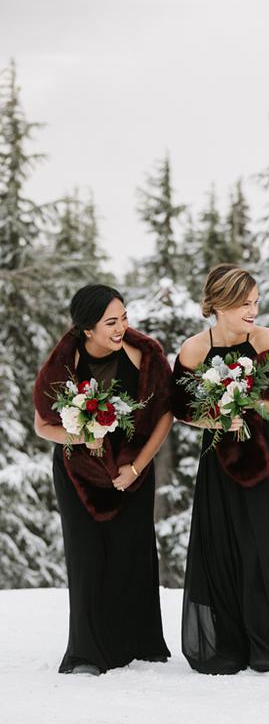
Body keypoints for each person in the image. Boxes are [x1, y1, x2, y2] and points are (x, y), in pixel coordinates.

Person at [171, 264, 269, 674]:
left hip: (264, 452)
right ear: (219, 304)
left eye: (256, 302)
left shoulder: (267, 340)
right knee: (223, 540)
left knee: (265, 542)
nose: (253, 311)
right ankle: (230, 639)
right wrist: (217, 418)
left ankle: (268, 639)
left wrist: (247, 403)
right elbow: (182, 407)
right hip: (218, 454)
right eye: (244, 303)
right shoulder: (193, 349)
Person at [32, 285, 174, 674]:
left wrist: (137, 467)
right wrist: (82, 436)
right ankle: (87, 652)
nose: (121, 328)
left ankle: (137, 642)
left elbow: (165, 414)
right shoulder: (63, 364)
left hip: (133, 472)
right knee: (87, 558)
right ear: (86, 329)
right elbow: (43, 425)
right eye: (111, 322)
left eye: (124, 318)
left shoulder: (145, 355)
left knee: (132, 552)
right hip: (78, 473)